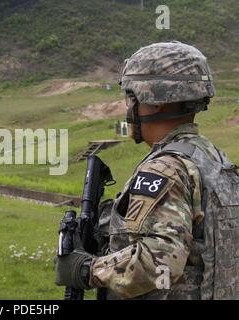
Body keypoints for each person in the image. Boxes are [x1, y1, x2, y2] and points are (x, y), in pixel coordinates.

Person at [55, 41, 239, 299]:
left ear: (154, 102)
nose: (128, 108)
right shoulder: (215, 160)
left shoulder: (165, 169)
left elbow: (159, 262)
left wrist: (87, 270)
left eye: (131, 97)